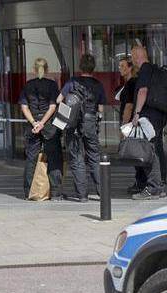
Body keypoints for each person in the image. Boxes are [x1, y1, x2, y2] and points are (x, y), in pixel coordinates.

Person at [57, 54, 106, 202]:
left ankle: (82, 195)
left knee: (76, 158)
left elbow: (59, 100)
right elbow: (101, 109)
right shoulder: (98, 84)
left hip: (73, 124)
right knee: (94, 157)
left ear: (80, 66)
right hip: (90, 122)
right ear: (93, 68)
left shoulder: (72, 82)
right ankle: (101, 192)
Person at [19, 57, 63, 200]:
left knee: (31, 158)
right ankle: (55, 193)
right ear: (47, 69)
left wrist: (34, 123)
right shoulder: (52, 85)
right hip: (49, 125)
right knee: (54, 157)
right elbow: (52, 106)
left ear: (33, 69)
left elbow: (24, 106)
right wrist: (42, 123)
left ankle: (29, 192)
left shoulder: (28, 85)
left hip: (32, 126)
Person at [130, 46, 167, 200]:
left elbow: (142, 91)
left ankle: (153, 188)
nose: (132, 60)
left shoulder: (145, 69)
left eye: (132, 57)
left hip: (148, 117)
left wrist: (137, 113)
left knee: (148, 150)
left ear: (137, 56)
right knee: (156, 149)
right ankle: (159, 185)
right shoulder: (155, 70)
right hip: (158, 116)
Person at [116, 57, 144, 194]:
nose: (120, 68)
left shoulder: (131, 83)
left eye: (122, 66)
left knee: (135, 153)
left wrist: (124, 126)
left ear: (130, 68)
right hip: (132, 122)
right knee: (135, 153)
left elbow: (128, 106)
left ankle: (141, 182)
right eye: (119, 66)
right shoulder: (129, 83)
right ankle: (140, 181)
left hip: (130, 123)